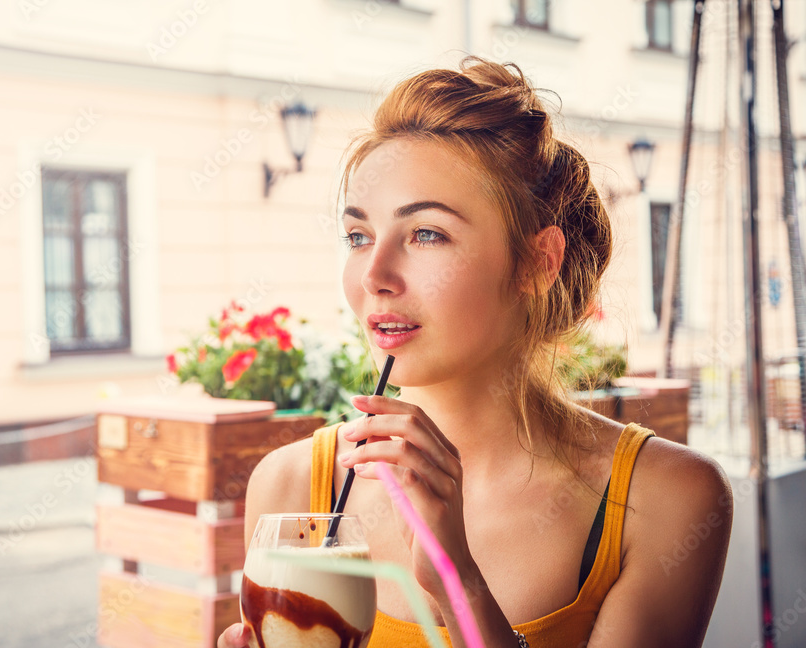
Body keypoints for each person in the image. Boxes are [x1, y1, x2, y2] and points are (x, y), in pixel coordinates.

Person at [218, 55, 733, 648]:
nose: (374, 276)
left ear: (538, 262)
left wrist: (460, 584)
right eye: (359, 236)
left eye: (426, 234)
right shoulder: (290, 488)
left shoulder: (664, 499)